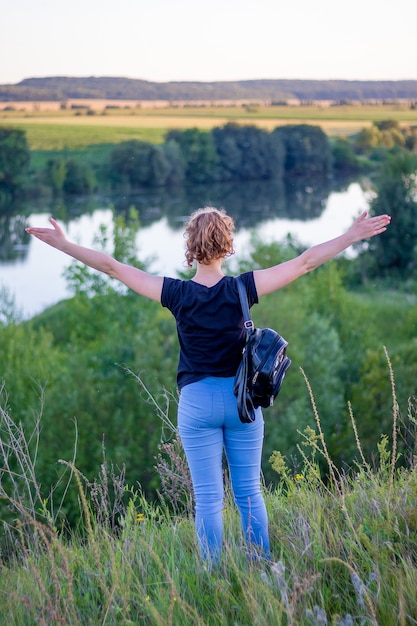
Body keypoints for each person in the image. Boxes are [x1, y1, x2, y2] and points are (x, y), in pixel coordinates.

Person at [26, 207, 391, 563]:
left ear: (190, 248)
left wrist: (64, 244)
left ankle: (212, 573)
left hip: (197, 405)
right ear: (227, 245)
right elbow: (304, 262)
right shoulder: (243, 288)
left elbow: (112, 267)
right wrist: (351, 236)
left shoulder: (176, 294)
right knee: (249, 493)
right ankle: (260, 569)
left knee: (207, 499)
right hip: (241, 403)